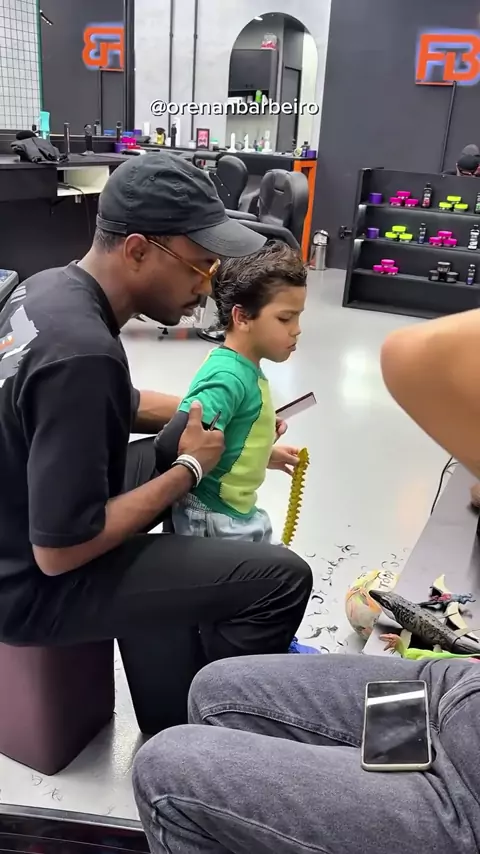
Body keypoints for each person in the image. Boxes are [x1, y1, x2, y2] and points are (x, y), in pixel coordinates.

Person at [132, 307, 480, 852]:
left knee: (165, 771)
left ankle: (381, 798)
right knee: (215, 689)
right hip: (452, 696)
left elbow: (412, 355)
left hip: (466, 792)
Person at [0, 152, 313, 733]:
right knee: (282, 578)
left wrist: (238, 428)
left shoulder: (49, 290)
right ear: (139, 250)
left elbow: (118, 401)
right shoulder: (84, 353)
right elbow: (60, 552)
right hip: (27, 584)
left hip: (17, 507)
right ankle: (211, 735)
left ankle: (166, 703)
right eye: (200, 265)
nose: (207, 285)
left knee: (164, 453)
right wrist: (189, 468)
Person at [163, 241, 307, 543]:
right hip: (212, 518)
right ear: (241, 317)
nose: (297, 329)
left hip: (236, 510)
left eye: (298, 316)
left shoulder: (245, 368)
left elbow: (223, 438)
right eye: (285, 318)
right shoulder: (227, 377)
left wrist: (261, 453)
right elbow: (179, 442)